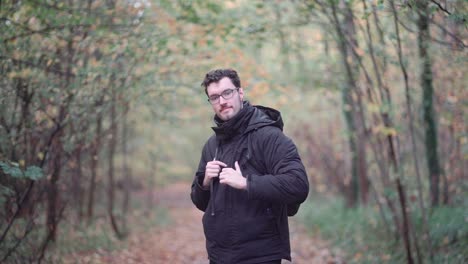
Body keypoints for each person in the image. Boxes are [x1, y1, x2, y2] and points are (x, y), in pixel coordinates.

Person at [190, 68, 309, 264]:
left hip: (260, 255)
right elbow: (201, 203)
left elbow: (298, 185)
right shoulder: (212, 145)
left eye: (227, 93)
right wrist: (204, 182)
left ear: (240, 93)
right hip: (218, 256)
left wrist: (247, 183)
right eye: (214, 97)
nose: (222, 101)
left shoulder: (268, 136)